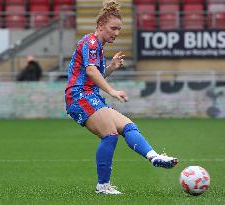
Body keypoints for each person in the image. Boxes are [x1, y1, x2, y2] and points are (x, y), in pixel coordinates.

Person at [65, 0, 178, 195]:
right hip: (79, 96)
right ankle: (103, 186)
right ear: (100, 26)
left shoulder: (98, 47)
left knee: (128, 126)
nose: (116, 33)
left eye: (119, 29)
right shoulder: (91, 42)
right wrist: (112, 91)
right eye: (113, 28)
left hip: (89, 94)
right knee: (110, 135)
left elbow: (95, 75)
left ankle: (154, 157)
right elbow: (91, 72)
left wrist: (110, 68)